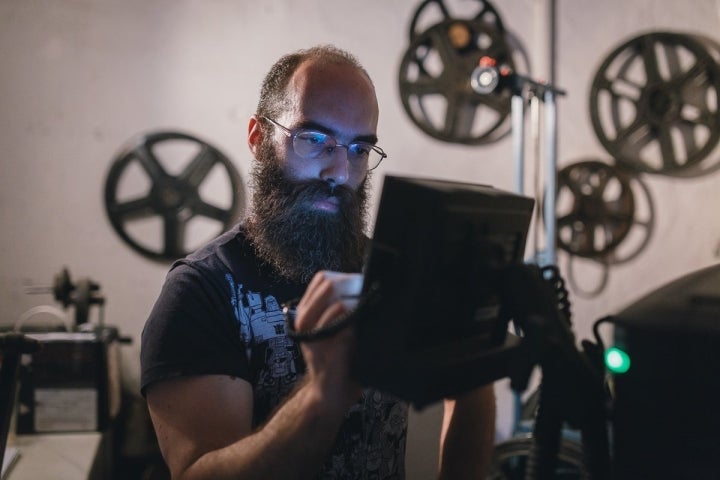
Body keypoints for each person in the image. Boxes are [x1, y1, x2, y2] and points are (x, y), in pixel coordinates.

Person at [140, 44, 496, 480]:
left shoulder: (389, 272)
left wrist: (481, 355)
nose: (340, 172)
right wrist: (324, 393)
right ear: (258, 138)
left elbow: (465, 392)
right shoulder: (201, 292)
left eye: (359, 150)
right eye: (313, 140)